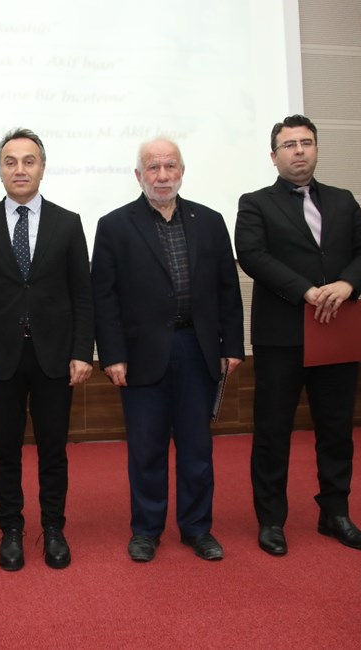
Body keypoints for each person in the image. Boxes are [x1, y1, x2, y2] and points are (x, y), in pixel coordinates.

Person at [235, 114, 361, 556]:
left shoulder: (342, 199)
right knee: (273, 431)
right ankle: (271, 520)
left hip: (337, 331)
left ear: (316, 148)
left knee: (336, 429)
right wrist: (306, 290)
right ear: (274, 156)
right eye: (289, 145)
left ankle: (335, 513)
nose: (299, 151)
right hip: (282, 336)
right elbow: (252, 255)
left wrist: (347, 284)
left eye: (306, 143)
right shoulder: (255, 203)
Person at [92, 137, 244, 563]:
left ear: (181, 171)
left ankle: (197, 528)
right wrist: (112, 355)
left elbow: (227, 290)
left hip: (198, 349)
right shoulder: (114, 225)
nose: (162, 176)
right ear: (138, 175)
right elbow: (104, 297)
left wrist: (233, 345)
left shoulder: (210, 221)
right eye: (153, 168)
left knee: (197, 448)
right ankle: (146, 530)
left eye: (170, 166)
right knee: (146, 449)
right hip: (141, 355)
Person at [0, 128, 93, 571]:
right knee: (5, 451)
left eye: (29, 161)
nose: (20, 169)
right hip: (0, 360)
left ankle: (53, 528)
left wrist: (82, 351)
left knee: (54, 450)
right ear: (0, 170)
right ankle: (11, 529)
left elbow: (82, 294)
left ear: (42, 168)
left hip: (55, 357)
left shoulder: (67, 223)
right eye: (10, 161)